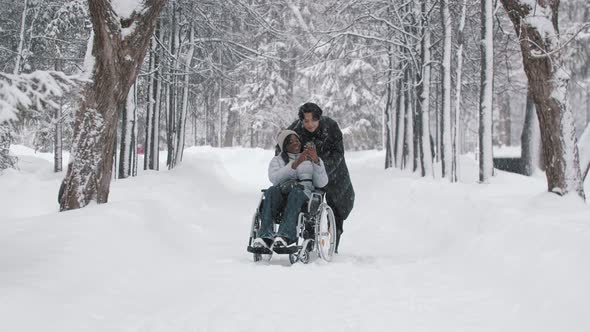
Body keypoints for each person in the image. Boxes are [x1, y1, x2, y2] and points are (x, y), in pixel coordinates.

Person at [288, 102, 355, 253]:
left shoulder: (331, 127)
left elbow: (338, 153)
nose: (310, 124)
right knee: (309, 207)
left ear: (319, 118)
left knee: (338, 208)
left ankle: (333, 244)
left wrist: (322, 168)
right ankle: (309, 241)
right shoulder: (294, 130)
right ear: (301, 121)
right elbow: (282, 150)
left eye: (313, 120)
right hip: (307, 175)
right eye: (306, 121)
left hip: (334, 173)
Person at [253, 129, 329, 250]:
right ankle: (265, 237)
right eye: (290, 142)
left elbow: (322, 182)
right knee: (270, 191)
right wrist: (294, 165)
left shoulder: (311, 158)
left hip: (304, 195)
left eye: (297, 140)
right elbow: (274, 178)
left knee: (296, 191)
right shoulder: (277, 160)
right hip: (282, 194)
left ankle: (285, 236)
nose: (295, 143)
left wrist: (316, 161)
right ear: (284, 146)